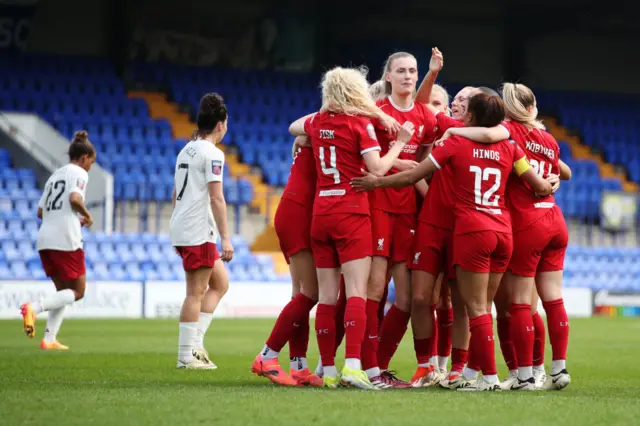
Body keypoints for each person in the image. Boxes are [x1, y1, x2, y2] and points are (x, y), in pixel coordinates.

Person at [351, 92, 554, 391]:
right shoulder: (509, 146)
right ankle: (493, 371)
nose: (458, 104)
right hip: (486, 228)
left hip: (469, 229)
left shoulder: (455, 140)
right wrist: (552, 180)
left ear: (471, 115)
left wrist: (378, 181)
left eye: (465, 101)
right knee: (456, 302)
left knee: (471, 306)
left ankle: (479, 374)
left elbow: (414, 173)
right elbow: (537, 180)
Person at [438, 83, 572, 390]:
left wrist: (454, 132)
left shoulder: (507, 130)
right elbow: (564, 171)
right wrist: (551, 178)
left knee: (519, 304)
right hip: (554, 217)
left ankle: (524, 374)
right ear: (532, 107)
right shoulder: (547, 137)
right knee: (552, 299)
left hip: (523, 222)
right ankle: (557, 369)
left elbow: (487, 135)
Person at [289, 66, 414, 389]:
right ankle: (354, 366)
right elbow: (377, 170)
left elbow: (293, 126)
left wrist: (308, 134)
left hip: (321, 213)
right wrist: (399, 144)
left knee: (328, 297)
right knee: (357, 292)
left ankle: (328, 370)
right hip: (351, 211)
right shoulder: (360, 124)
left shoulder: (317, 122)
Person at [361, 50, 440, 389]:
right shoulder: (376, 113)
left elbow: (451, 137)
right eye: (401, 71)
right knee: (374, 291)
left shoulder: (426, 115)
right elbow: (365, 161)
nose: (408, 76)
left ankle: (378, 365)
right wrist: (401, 165)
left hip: (408, 211)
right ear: (388, 77)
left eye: (413, 71)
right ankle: (364, 368)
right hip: (378, 205)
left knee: (407, 300)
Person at [252, 135, 322, 387]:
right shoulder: (329, 129)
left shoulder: (315, 131)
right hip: (299, 214)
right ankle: (267, 355)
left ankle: (298, 365)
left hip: (295, 210)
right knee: (311, 293)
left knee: (301, 294)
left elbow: (299, 128)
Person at [170, 93, 233, 369]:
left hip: (184, 224)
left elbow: (175, 193)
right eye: (226, 123)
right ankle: (187, 355)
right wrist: (226, 238)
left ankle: (196, 345)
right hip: (198, 228)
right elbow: (217, 198)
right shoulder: (213, 154)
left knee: (221, 283)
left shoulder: (187, 149)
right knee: (196, 291)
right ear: (220, 125)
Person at [20, 131, 96, 350]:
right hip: (66, 239)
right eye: (91, 161)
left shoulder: (55, 175)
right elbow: (74, 199)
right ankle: (33, 308)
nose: (90, 166)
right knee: (78, 291)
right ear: (84, 158)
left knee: (63, 292)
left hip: (45, 238)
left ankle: (49, 339)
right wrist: (88, 216)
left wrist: (74, 219)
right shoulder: (80, 173)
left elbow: (41, 212)